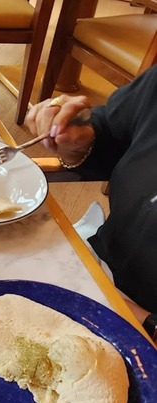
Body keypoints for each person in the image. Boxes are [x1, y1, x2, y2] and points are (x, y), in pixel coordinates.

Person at [25, 65, 157, 341]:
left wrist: (143, 321)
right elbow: (111, 129)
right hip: (91, 266)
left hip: (140, 331)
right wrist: (78, 139)